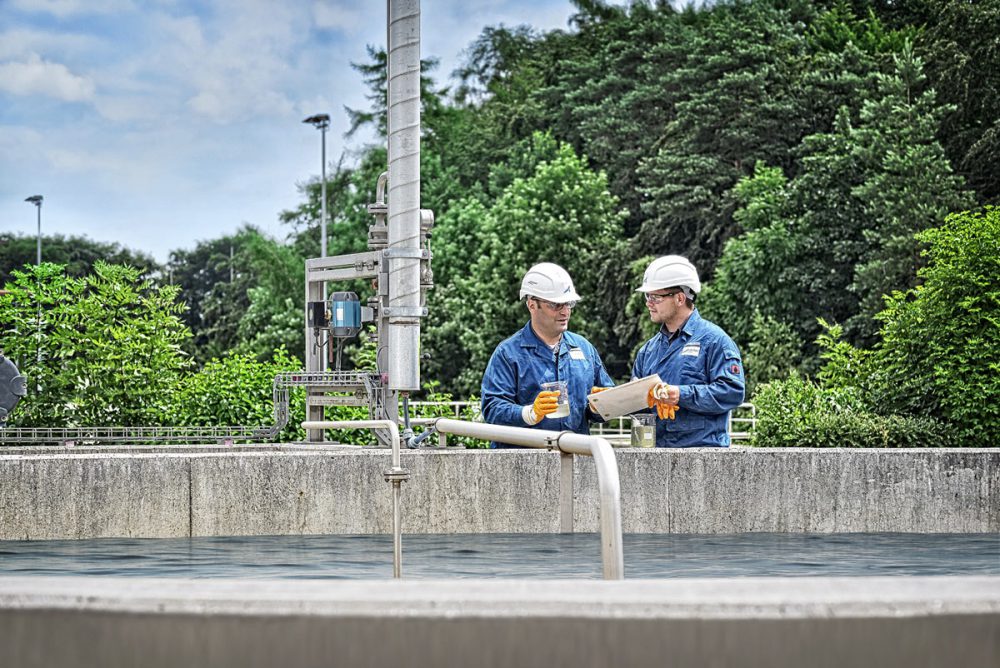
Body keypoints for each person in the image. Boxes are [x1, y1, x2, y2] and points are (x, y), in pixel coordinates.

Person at [481, 262, 614, 448]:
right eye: (555, 304)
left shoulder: (584, 348)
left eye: (568, 304)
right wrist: (530, 414)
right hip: (523, 463)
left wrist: (600, 405)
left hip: (573, 459)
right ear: (532, 305)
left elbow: (606, 400)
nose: (565, 311)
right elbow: (492, 408)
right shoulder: (508, 354)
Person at [632, 255, 745, 447]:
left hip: (703, 457)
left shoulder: (715, 341)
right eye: (647, 296)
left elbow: (733, 392)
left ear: (680, 298)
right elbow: (638, 410)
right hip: (654, 457)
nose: (648, 303)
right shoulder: (648, 350)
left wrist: (681, 394)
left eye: (655, 297)